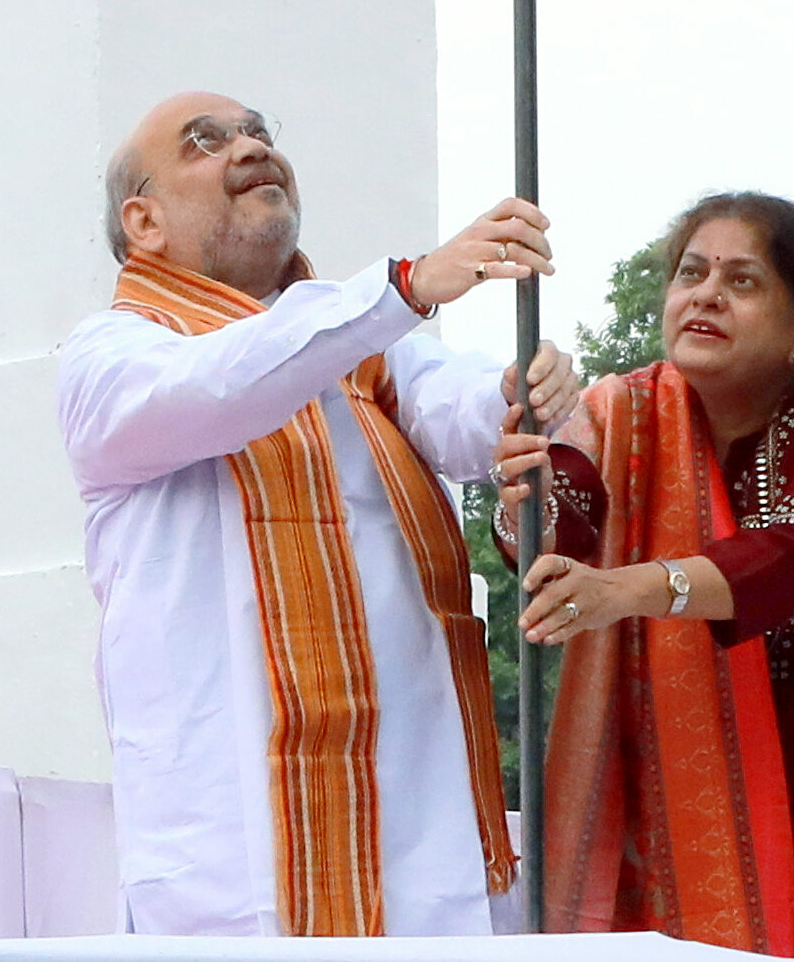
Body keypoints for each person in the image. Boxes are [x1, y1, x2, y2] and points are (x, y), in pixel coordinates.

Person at [56, 90, 581, 937]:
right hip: (237, 847)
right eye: (205, 141)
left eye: (259, 130)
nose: (250, 146)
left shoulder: (368, 341)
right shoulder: (111, 356)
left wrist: (517, 397)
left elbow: (452, 408)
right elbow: (222, 387)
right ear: (143, 221)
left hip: (419, 819)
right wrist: (402, 286)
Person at [496, 193, 794, 961]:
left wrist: (628, 588)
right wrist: (532, 473)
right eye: (692, 272)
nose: (706, 293)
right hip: (646, 784)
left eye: (743, 280)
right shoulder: (620, 412)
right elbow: (554, 537)